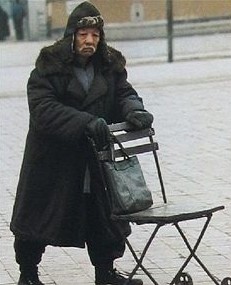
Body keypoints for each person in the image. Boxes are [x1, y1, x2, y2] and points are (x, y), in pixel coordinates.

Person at [10, 2, 153, 285]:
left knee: (103, 218)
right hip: (53, 160)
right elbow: (43, 109)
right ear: (72, 35)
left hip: (94, 158)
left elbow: (124, 93)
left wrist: (133, 109)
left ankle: (106, 274)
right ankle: (28, 275)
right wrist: (84, 122)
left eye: (95, 35)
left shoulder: (109, 65)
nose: (90, 40)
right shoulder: (48, 68)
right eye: (83, 34)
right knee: (38, 218)